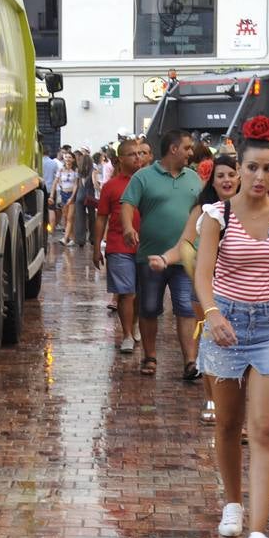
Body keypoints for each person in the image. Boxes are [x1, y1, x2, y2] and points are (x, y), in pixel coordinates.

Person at [193, 116, 269, 538]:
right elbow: (202, 273)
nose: (259, 177)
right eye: (252, 168)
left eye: (268, 169)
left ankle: (258, 531)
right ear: (240, 170)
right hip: (226, 325)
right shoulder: (219, 214)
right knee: (227, 426)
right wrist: (212, 313)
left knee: (265, 429)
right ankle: (232, 501)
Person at [149, 154, 239, 423]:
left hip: (240, 289)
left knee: (238, 349)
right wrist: (165, 259)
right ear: (212, 180)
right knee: (211, 347)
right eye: (220, 175)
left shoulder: (251, 208)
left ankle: (236, 409)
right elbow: (185, 245)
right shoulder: (203, 210)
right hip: (206, 287)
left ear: (240, 177)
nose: (226, 180)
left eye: (230, 174)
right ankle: (212, 400)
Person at [120, 129, 201, 379]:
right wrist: (128, 227)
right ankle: (150, 356)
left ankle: (190, 361)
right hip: (150, 256)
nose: (191, 152)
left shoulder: (194, 178)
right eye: (187, 148)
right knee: (149, 308)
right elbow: (127, 203)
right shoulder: (143, 176)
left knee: (186, 309)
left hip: (186, 256)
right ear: (173, 148)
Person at [94, 139, 142, 353]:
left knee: (140, 293)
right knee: (126, 292)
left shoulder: (147, 182)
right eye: (132, 154)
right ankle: (127, 335)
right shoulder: (111, 186)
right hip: (118, 245)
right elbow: (101, 217)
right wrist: (97, 247)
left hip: (145, 245)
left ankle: (134, 325)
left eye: (140, 154)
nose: (137, 158)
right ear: (119, 159)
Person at [51, 151, 79, 246]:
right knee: (66, 217)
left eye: (70, 157)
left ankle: (65, 238)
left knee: (70, 218)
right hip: (63, 194)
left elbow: (76, 184)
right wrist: (51, 195)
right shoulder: (61, 170)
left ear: (73, 159)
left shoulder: (75, 170)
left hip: (71, 194)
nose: (67, 159)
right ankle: (72, 238)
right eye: (66, 157)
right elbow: (55, 182)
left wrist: (72, 197)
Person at [72, 150, 95, 247]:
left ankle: (80, 240)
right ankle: (93, 238)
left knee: (79, 218)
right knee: (92, 217)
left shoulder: (79, 170)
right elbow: (94, 183)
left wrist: (72, 197)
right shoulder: (93, 170)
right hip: (90, 195)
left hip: (80, 195)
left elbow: (76, 185)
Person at [41, 143, 61, 236]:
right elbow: (57, 177)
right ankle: (51, 230)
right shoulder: (54, 163)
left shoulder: (38, 162)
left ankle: (43, 229)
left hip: (41, 189)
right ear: (49, 152)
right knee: (51, 209)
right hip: (51, 189)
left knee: (42, 210)